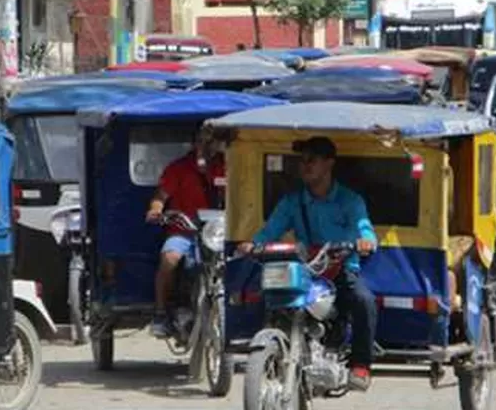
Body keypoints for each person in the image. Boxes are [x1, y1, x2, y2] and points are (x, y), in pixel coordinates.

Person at [237, 136, 378, 391]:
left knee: (364, 300)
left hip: (340, 270)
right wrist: (253, 245)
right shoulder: (292, 201)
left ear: (329, 164)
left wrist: (365, 240)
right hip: (305, 270)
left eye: (311, 160)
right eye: (302, 161)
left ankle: (361, 365)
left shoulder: (350, 200)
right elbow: (270, 230)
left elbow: (363, 227)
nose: (305, 167)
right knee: (265, 295)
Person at [145, 132, 224, 337]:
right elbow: (160, 197)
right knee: (170, 258)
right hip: (184, 231)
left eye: (211, 143)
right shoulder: (177, 168)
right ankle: (161, 313)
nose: (206, 147)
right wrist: (156, 210)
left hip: (216, 234)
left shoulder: (226, 166)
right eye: (201, 142)